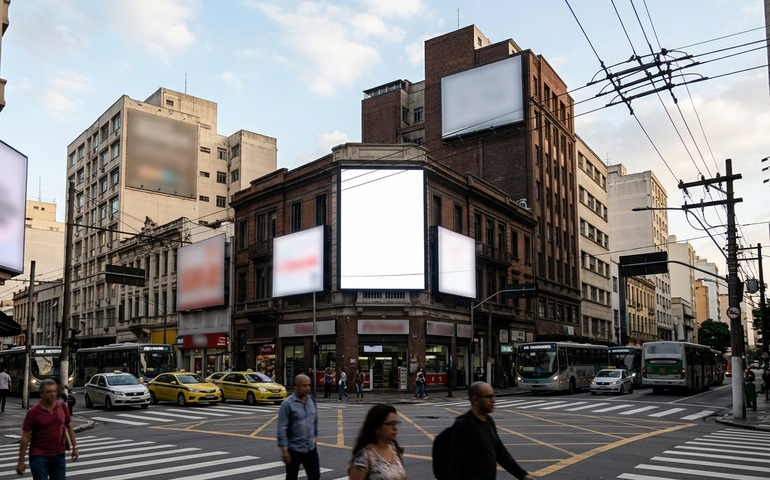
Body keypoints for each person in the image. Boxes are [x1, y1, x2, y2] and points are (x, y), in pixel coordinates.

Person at [447, 382, 535, 480]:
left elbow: (500, 453)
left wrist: (522, 475)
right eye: (488, 397)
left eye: (493, 396)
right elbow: (455, 463)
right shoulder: (464, 424)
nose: (493, 401)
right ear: (475, 400)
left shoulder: (488, 421)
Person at [16, 379, 79, 479]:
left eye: (54, 391)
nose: (52, 394)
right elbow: (25, 436)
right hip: (39, 456)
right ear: (41, 394)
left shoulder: (62, 407)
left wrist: (75, 447)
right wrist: (21, 461)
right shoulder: (33, 413)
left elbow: (69, 426)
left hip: (58, 455)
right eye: (49, 391)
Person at [277, 374, 320, 480]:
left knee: (315, 476)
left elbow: (314, 419)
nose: (307, 388)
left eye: (309, 385)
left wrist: (315, 435)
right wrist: (284, 450)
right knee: (292, 477)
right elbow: (282, 427)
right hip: (294, 449)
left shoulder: (311, 400)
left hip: (310, 448)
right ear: (296, 386)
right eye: (304, 386)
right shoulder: (287, 404)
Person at [348, 403, 406, 480]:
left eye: (396, 423)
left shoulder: (395, 449)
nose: (396, 428)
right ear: (376, 427)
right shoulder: (365, 455)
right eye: (390, 424)